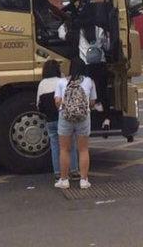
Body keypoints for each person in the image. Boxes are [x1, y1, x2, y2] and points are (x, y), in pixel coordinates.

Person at [58, 22, 111, 129]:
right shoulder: (100, 30)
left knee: (86, 93)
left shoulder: (78, 32)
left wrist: (67, 22)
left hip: (86, 67)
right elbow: (107, 46)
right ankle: (106, 119)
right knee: (103, 92)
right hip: (100, 65)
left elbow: (62, 35)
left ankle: (89, 117)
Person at [54, 57, 96, 189]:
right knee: (83, 149)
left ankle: (64, 180)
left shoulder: (61, 82)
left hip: (65, 117)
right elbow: (92, 102)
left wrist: (67, 107)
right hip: (83, 118)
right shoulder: (89, 81)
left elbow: (57, 101)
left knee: (64, 149)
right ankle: (83, 180)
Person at [36, 60, 79, 180]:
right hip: (64, 119)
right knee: (70, 145)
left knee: (55, 146)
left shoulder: (42, 84)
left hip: (50, 120)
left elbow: (39, 105)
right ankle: (73, 171)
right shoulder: (62, 82)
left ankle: (58, 173)